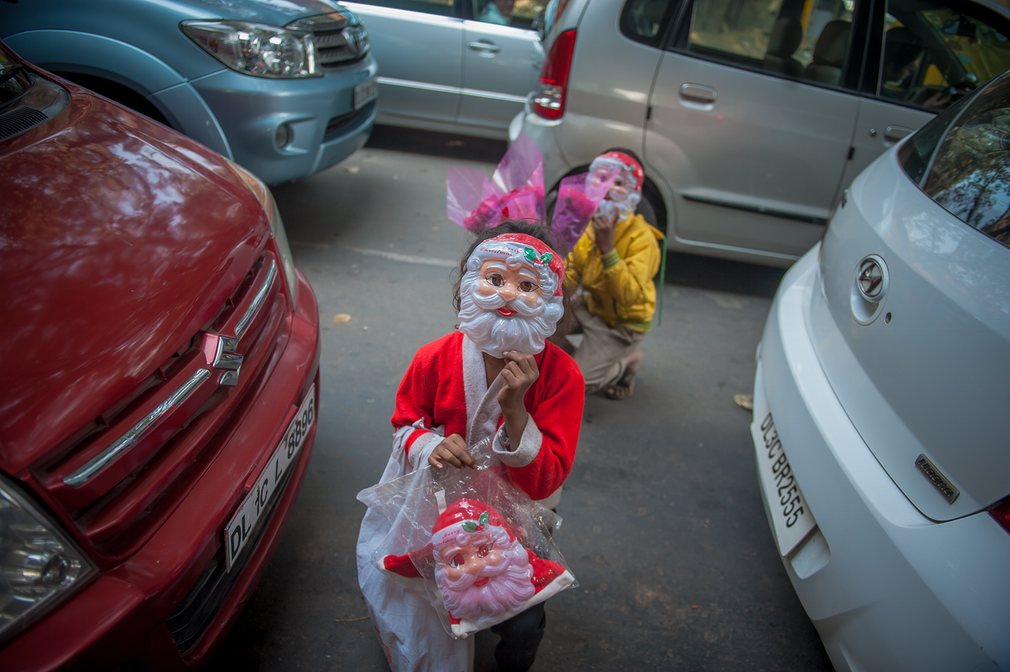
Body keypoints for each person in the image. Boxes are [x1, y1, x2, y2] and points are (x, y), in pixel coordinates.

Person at [356, 221, 585, 672]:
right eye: (495, 279)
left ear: (552, 301)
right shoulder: (433, 358)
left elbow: (547, 479)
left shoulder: (563, 378)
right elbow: (406, 423)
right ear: (469, 283)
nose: (507, 296)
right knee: (436, 592)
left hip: (520, 517)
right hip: (439, 507)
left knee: (520, 619)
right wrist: (429, 446)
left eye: (526, 285)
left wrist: (517, 410)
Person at [562, 150, 664, 400]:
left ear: (633, 194)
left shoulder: (643, 240)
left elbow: (628, 295)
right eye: (601, 179)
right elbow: (573, 270)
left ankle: (626, 360)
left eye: (618, 183)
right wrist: (548, 290)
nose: (607, 189)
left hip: (621, 323)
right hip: (592, 307)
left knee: (579, 385)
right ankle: (576, 362)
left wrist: (607, 248)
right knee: (537, 327)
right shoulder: (589, 223)